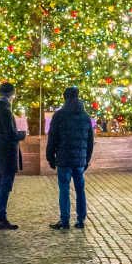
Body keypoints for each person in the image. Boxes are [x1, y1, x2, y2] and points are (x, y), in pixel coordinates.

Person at [46, 86, 95, 230]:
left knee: (64, 189)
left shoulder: (59, 115)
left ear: (64, 97)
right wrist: (86, 159)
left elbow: (52, 138)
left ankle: (65, 220)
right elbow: (90, 141)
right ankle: (81, 219)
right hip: (79, 160)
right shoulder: (85, 116)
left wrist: (50, 157)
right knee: (80, 189)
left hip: (64, 159)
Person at [0, 82, 26, 230]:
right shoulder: (5, 110)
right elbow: (10, 133)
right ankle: (1, 217)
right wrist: (22, 134)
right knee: (5, 185)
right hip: (7, 152)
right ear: (11, 95)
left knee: (0, 183)